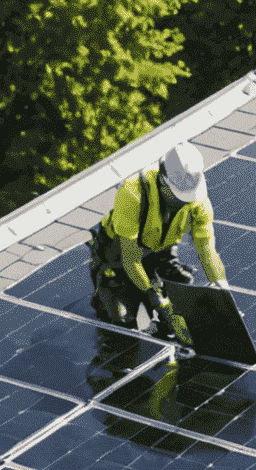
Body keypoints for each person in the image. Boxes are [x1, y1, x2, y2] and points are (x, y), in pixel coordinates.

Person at [89, 142, 231, 336]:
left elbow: (207, 249)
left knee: (184, 291)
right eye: (179, 197)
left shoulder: (198, 201)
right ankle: (106, 294)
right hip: (119, 257)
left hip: (159, 251)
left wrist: (222, 289)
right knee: (122, 316)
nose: (183, 202)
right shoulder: (132, 194)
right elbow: (130, 259)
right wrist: (155, 298)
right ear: (163, 181)